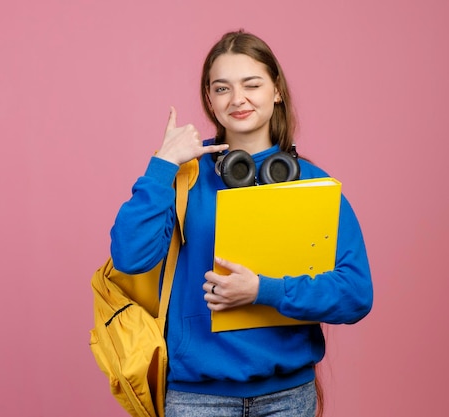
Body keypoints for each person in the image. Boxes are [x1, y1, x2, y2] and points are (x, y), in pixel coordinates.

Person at [110, 29, 373, 417]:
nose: (238, 99)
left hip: (288, 397)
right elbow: (130, 258)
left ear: (276, 91)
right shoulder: (183, 178)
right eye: (222, 88)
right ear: (209, 100)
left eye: (252, 84)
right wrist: (162, 165)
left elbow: (354, 294)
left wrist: (261, 291)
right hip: (196, 397)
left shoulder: (314, 185)